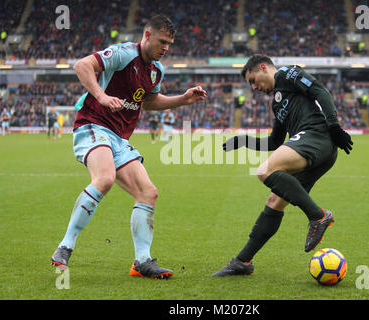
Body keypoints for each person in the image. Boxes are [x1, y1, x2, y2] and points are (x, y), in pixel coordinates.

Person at [51, 15, 207, 279]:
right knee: (105, 178)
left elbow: (148, 101)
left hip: (119, 138)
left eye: (169, 44)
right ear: (147, 36)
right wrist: (101, 96)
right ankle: (65, 247)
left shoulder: (157, 70)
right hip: (93, 125)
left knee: (148, 192)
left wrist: (183, 99)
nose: (166, 48)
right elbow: (82, 65)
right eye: (162, 42)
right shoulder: (124, 53)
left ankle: (142, 262)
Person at [213, 54, 353, 276]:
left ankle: (318, 216)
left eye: (253, 81)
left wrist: (334, 126)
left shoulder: (288, 74)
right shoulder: (277, 104)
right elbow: (275, 142)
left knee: (265, 170)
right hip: (313, 147)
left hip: (317, 136)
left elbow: (320, 91)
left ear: (263, 68)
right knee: (274, 201)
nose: (254, 88)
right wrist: (243, 141)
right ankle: (243, 261)